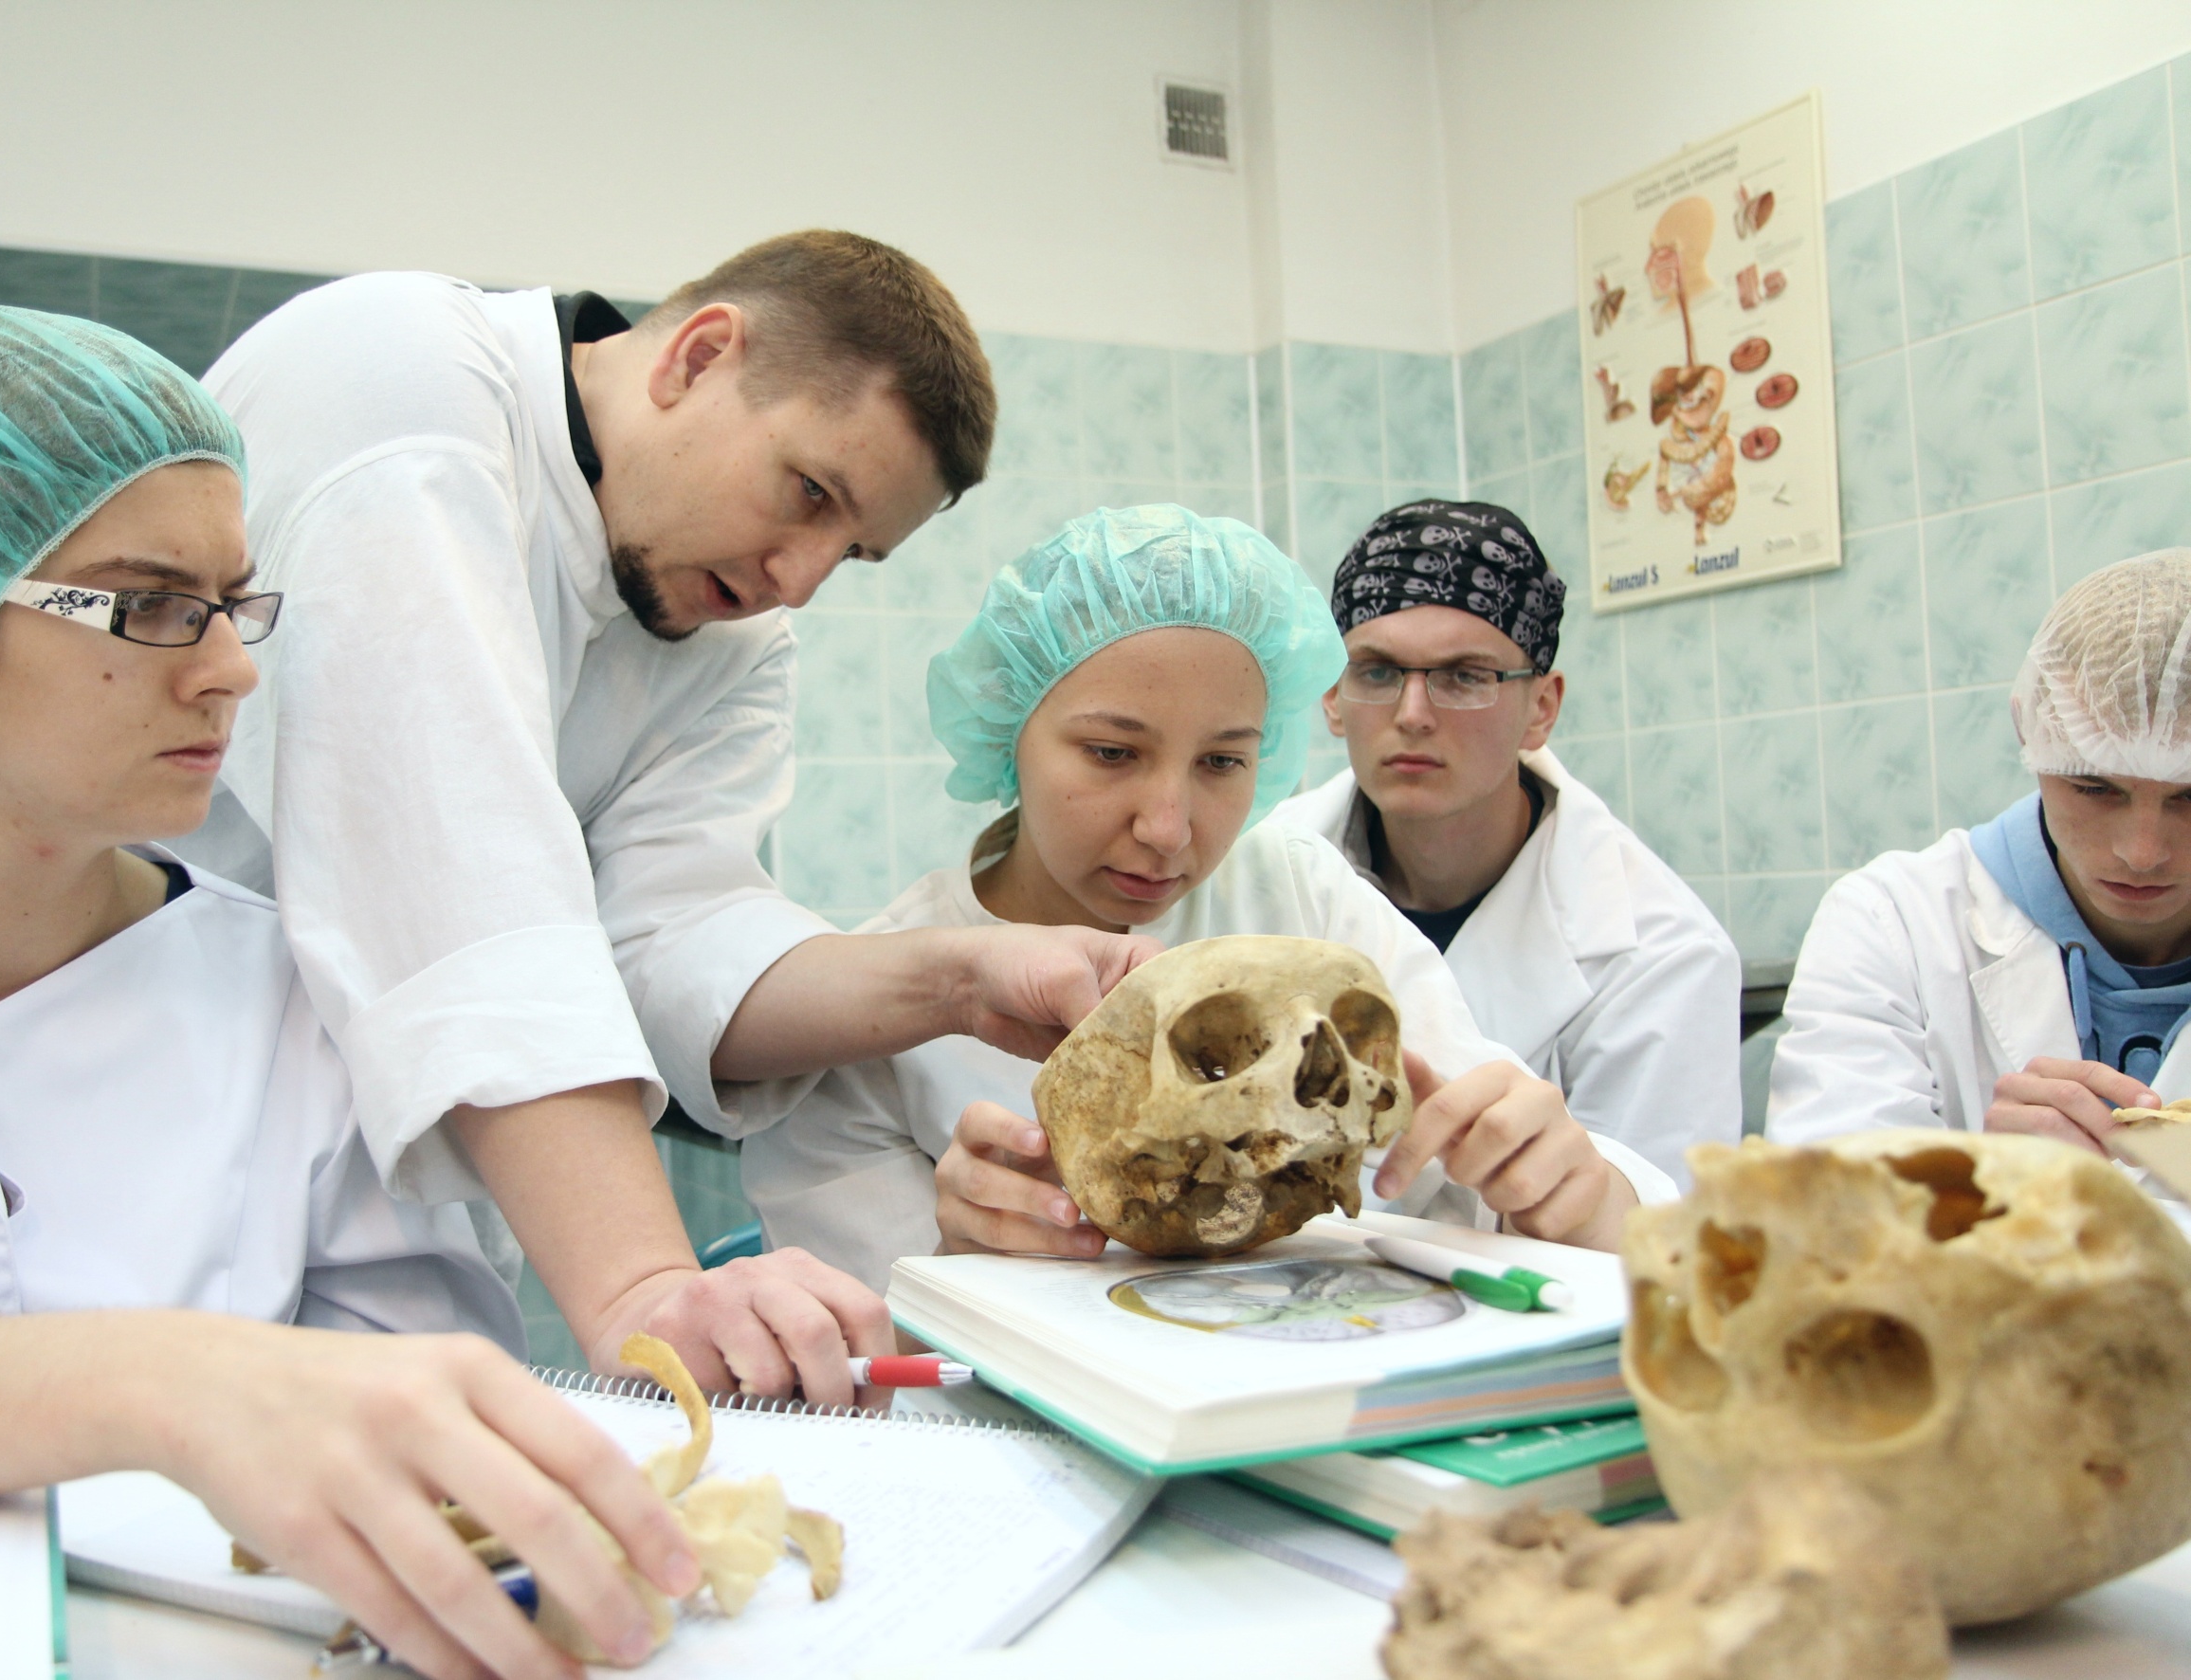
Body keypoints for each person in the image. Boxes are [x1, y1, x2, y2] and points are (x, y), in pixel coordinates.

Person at [0, 308, 708, 1680]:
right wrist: (173, 1386)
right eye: (151, 604)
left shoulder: (303, 1008)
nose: (231, 669)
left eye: (233, 604)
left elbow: (421, 1457)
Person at [192, 233, 1149, 1401]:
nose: (799, 578)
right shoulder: (403, 378)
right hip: (155, 1145)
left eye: (851, 552)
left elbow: (674, 939)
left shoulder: (735, 635)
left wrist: (963, 975)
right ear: (697, 356)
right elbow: (448, 868)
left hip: (392, 1225)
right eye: (809, 493)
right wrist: (640, 1283)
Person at [736, 506, 1677, 1292]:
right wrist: (953, 1265)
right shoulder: (874, 1008)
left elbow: (1479, 1167)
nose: (1167, 827)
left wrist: (1583, 1194)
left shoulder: (1299, 896)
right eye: (1112, 752)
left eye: (1223, 762)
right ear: (1010, 729)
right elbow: (860, 1359)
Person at [1269, 500, 1740, 1187]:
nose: (1412, 714)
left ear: (1540, 708)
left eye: (1464, 676)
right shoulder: (1259, 865)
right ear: (1332, 699)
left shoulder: (1660, 954)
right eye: (1377, 671)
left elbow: (1654, 1225)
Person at [1770, 551, 2191, 1170]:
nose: (2142, 852)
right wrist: (1983, 1186)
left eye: (2190, 798)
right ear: (2032, 736)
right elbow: (1827, 1201)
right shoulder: (1893, 924)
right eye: (2093, 788)